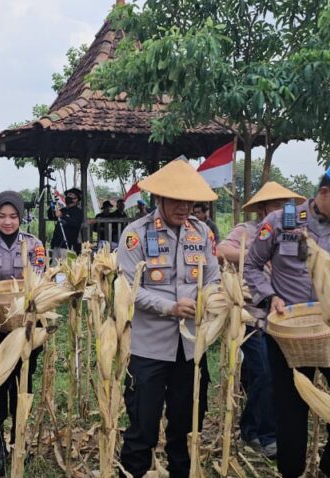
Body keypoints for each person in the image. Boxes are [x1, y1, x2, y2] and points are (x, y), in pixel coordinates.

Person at [243, 161, 330, 478]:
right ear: (324, 192)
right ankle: (291, 469)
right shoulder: (280, 221)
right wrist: (269, 297)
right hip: (288, 332)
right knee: (290, 407)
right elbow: (252, 266)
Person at [117, 159, 220, 478]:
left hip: (191, 350)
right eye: (177, 200)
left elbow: (214, 277)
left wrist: (210, 297)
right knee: (142, 431)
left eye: (190, 201)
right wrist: (170, 307)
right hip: (149, 350)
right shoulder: (135, 234)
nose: (184, 206)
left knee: (186, 431)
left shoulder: (202, 232)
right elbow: (126, 288)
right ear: (159, 198)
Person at [216, 182, 304, 459]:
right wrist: (256, 253)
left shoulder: (295, 234)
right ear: (263, 209)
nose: (281, 210)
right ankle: (267, 436)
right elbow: (220, 251)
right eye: (275, 205)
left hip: (283, 318)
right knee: (264, 373)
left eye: (285, 205)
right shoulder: (248, 231)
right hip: (252, 317)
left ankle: (250, 429)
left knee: (272, 376)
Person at [0, 190, 48, 476]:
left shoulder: (35, 244)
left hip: (26, 327)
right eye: (2, 216)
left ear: (20, 216)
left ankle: (19, 443)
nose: (7, 222)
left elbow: (36, 281)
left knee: (21, 387)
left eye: (13, 216)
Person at [48, 188, 84, 257]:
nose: (67, 196)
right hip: (56, 244)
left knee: (66, 266)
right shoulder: (63, 210)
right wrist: (52, 205)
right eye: (67, 195)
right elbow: (51, 216)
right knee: (54, 266)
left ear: (76, 199)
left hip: (68, 245)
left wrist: (63, 216)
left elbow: (75, 224)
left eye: (70, 195)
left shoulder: (78, 212)